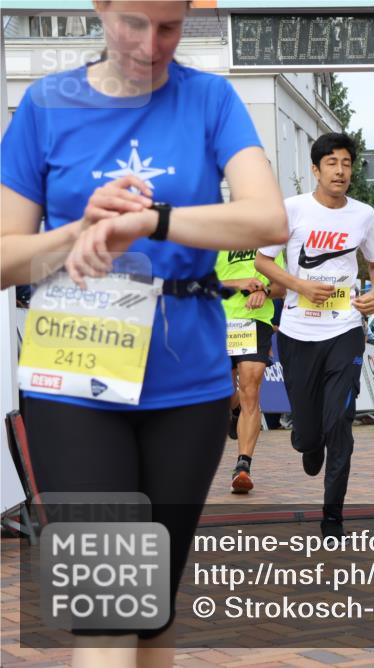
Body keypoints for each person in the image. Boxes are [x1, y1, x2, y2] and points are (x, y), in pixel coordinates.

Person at [0, 1, 287, 664]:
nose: (150, 45)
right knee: (108, 610)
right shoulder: (45, 106)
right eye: (132, 22)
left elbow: (267, 218)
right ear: (99, 7)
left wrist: (153, 221)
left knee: (152, 608)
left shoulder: (211, 99)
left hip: (187, 382)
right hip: (73, 380)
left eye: (170, 27)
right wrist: (78, 232)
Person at [255, 132, 374, 539]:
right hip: (296, 332)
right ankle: (307, 443)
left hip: (344, 330)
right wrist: (300, 285)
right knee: (309, 434)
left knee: (340, 423)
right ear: (316, 169)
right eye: (332, 163)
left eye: (346, 163)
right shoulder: (291, 209)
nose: (340, 171)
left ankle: (332, 517)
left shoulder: (364, 215)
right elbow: (262, 260)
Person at [215, 249, 286, 493]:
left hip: (255, 323)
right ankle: (234, 409)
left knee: (250, 391)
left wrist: (264, 291)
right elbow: (200, 281)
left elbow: (282, 286)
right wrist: (238, 283)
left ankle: (243, 466)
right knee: (222, 391)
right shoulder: (217, 241)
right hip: (219, 321)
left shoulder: (269, 246)